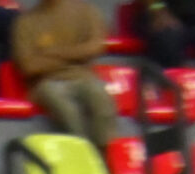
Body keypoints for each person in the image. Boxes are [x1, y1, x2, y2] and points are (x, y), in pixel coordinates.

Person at [13, 0, 117, 151]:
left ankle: (105, 154)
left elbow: (95, 48)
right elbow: (29, 67)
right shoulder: (24, 22)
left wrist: (55, 53)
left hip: (84, 78)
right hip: (46, 83)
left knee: (100, 96)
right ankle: (84, 154)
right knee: (63, 106)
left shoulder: (86, 11)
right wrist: (76, 58)